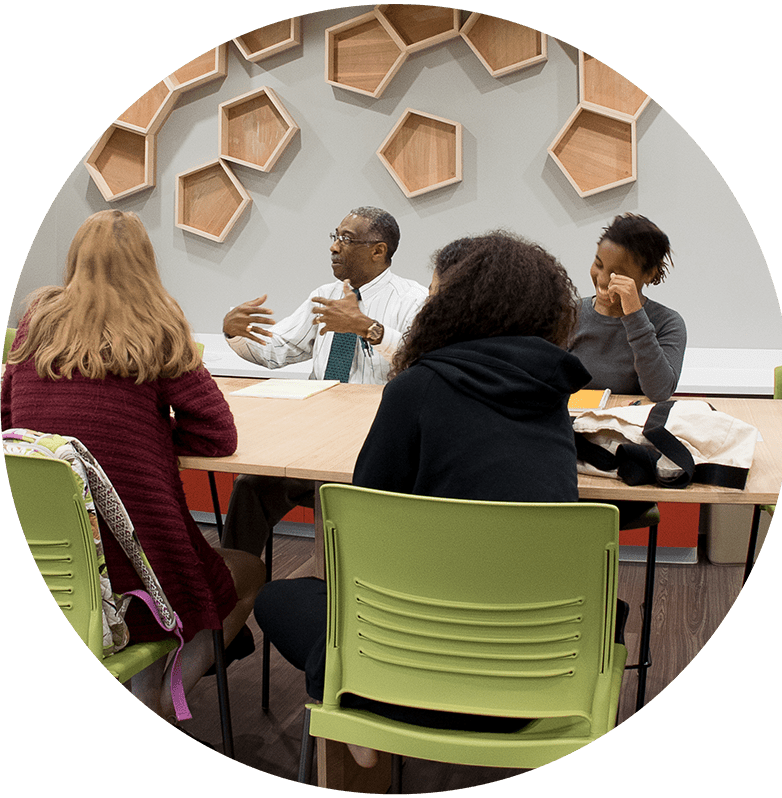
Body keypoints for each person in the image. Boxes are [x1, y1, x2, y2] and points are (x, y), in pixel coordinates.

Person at [254, 231, 627, 768]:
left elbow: (364, 525)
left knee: (280, 598)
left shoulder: (414, 390)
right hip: (538, 682)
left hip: (405, 670)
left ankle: (362, 706)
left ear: (452, 309)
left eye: (434, 298)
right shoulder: (553, 394)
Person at [1, 210, 266, 741]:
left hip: (42, 559)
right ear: (147, 263)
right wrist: (147, 438)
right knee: (244, 573)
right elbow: (218, 436)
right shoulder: (159, 327)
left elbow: (10, 425)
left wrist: (129, 433)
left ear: (74, 259)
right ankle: (156, 704)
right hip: (138, 568)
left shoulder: (35, 323)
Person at [220, 207, 428, 560]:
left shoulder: (414, 299)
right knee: (250, 488)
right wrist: (235, 333)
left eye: (346, 240)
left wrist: (367, 328)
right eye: (334, 236)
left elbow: (422, 362)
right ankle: (231, 596)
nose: (334, 247)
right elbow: (278, 350)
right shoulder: (325, 295)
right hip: (316, 438)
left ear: (379, 250)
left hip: (376, 446)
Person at [568, 213, 686, 402]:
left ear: (648, 274)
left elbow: (659, 391)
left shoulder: (668, 323)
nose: (603, 280)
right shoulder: (570, 314)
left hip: (629, 427)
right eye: (598, 265)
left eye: (617, 273)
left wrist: (634, 315)